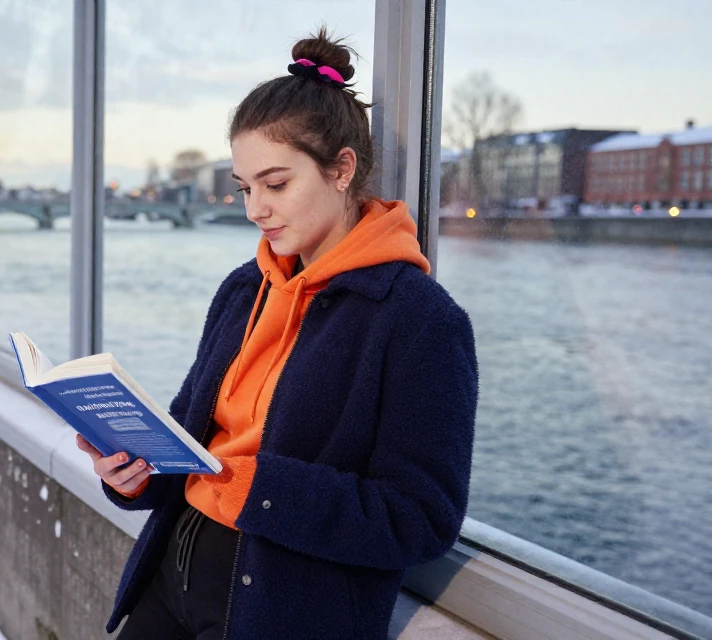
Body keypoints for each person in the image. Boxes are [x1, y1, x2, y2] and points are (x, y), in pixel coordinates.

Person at [78, 29, 478, 639]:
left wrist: (259, 490)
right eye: (245, 188)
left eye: (276, 184)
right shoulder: (244, 289)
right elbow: (193, 436)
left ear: (342, 169)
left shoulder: (420, 321)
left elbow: (420, 518)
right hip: (168, 580)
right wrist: (134, 471)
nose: (254, 209)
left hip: (283, 616)